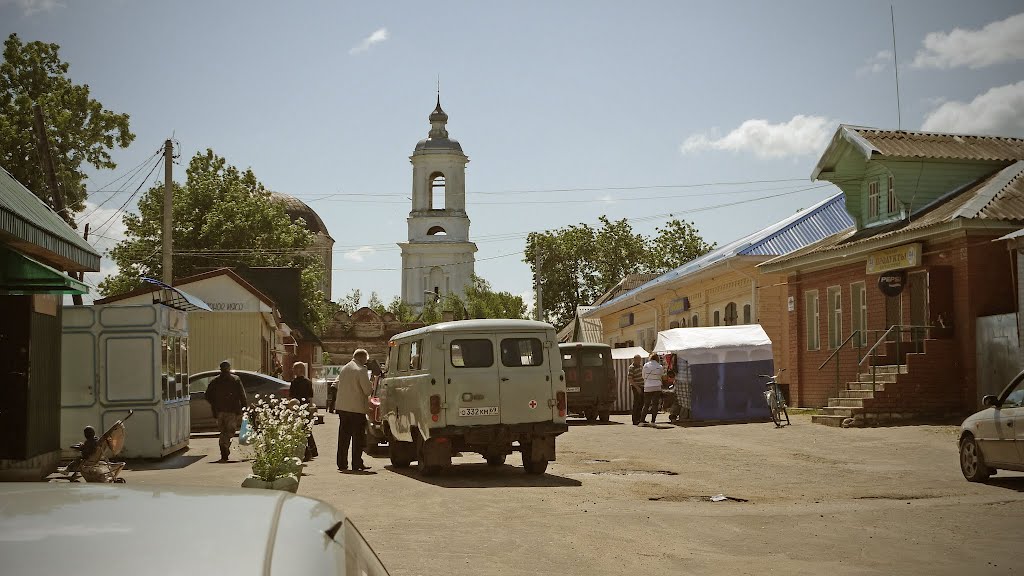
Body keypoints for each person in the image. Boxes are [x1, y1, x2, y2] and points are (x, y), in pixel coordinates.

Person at [336, 349, 373, 472]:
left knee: (343, 437)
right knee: (358, 438)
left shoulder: (345, 368)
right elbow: (367, 390)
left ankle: (342, 463)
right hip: (356, 409)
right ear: (362, 358)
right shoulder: (361, 370)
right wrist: (371, 383)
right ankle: (356, 463)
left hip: (343, 407)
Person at [205, 360, 248, 461]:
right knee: (230, 431)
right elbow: (242, 395)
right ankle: (225, 446)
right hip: (232, 410)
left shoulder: (215, 381)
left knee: (223, 431)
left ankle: (223, 448)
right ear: (229, 368)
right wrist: (244, 407)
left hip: (219, 411)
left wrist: (214, 403)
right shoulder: (236, 380)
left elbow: (207, 395)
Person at [289, 361, 318, 462]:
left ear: (299, 370)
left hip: (296, 407)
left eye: (294, 368)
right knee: (306, 429)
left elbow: (291, 396)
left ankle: (307, 451)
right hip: (305, 407)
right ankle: (312, 450)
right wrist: (310, 408)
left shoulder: (294, 382)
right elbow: (310, 397)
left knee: (300, 429)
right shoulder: (308, 381)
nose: (293, 370)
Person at [641, 353, 664, 425]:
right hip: (657, 386)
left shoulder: (646, 365)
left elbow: (643, 376)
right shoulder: (660, 366)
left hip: (648, 387)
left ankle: (642, 420)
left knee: (646, 404)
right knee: (655, 404)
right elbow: (661, 376)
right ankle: (653, 421)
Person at [627, 354, 645, 425]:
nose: (639, 361)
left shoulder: (641, 366)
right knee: (636, 403)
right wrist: (637, 387)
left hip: (642, 386)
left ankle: (640, 419)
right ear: (634, 360)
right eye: (638, 360)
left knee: (642, 403)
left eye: (640, 360)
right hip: (636, 387)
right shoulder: (632, 367)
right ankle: (635, 419)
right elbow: (630, 379)